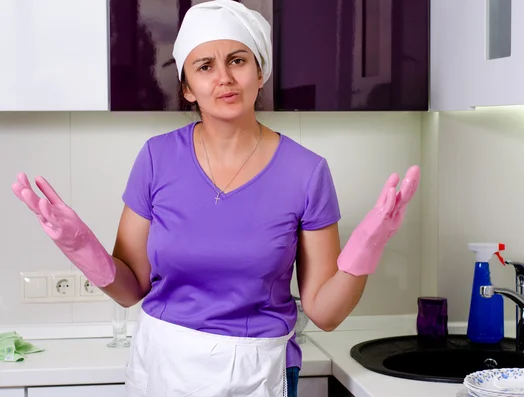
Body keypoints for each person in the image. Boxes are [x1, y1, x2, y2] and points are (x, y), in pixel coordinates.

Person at [11, 1, 420, 395]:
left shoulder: (306, 172)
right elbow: (131, 288)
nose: (224, 77)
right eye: (205, 66)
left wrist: (367, 247)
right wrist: (80, 246)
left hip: (256, 371)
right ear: (188, 88)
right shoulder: (157, 158)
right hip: (163, 367)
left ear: (259, 74)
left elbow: (326, 314)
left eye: (238, 60)